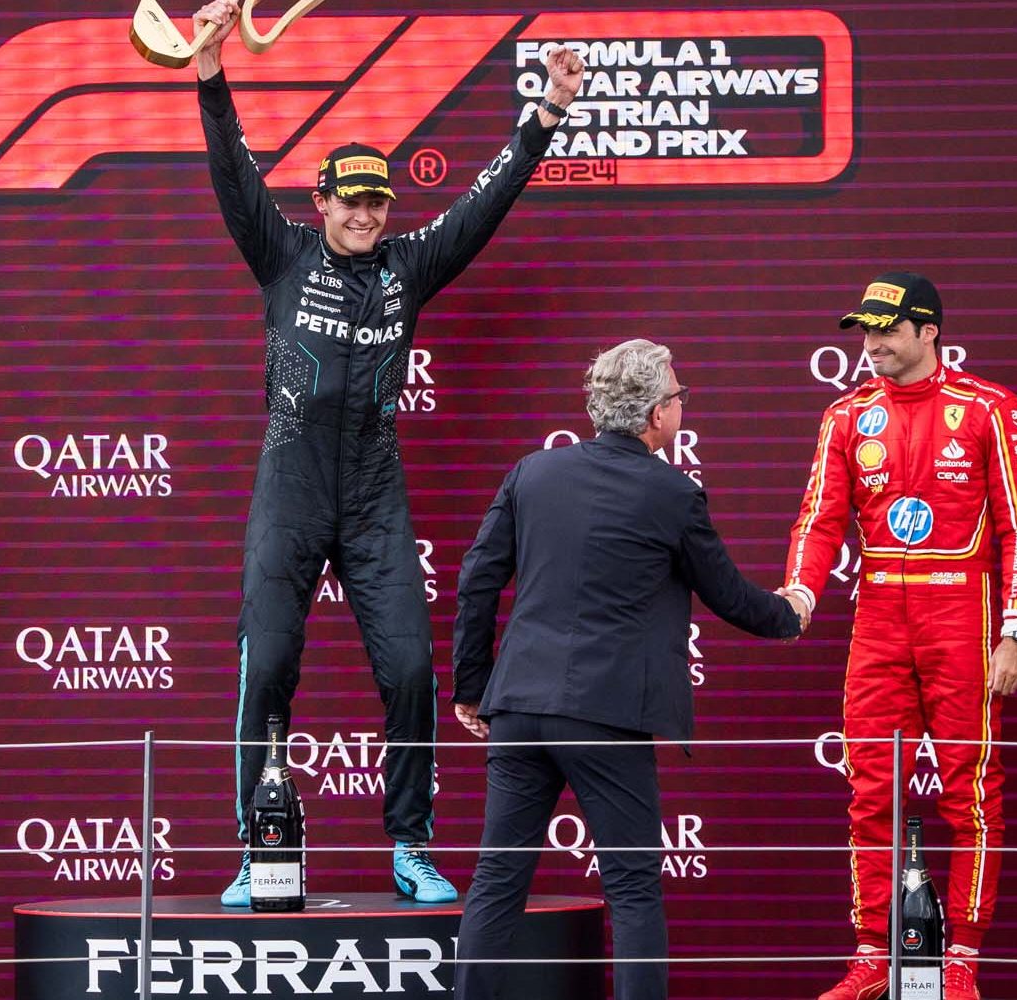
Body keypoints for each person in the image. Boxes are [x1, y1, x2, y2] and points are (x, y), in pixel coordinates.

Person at [188, 0, 587, 906]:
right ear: (322, 200)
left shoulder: (409, 267)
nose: (367, 213)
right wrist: (211, 75)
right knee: (271, 664)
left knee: (410, 668)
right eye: (352, 198)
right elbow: (230, 172)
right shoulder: (282, 253)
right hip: (289, 494)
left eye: (378, 200)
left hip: (373, 498)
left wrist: (548, 113)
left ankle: (409, 844)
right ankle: (261, 852)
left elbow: (485, 205)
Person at [451, 339, 806, 1000]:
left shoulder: (532, 473)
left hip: (520, 706)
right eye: (678, 398)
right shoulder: (672, 491)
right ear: (654, 416)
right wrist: (792, 612)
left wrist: (471, 687)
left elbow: (476, 582)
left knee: (498, 879)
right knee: (634, 889)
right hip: (607, 715)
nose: (682, 407)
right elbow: (727, 595)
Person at [786, 273, 1017, 1000]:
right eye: (864, 330)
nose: (870, 344)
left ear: (929, 331)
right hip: (877, 622)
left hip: (964, 619)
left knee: (970, 793)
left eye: (886, 329)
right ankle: (872, 953)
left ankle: (960, 956)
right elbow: (817, 520)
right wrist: (801, 590)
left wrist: (1016, 629)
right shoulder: (846, 416)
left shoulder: (991, 407)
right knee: (872, 792)